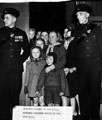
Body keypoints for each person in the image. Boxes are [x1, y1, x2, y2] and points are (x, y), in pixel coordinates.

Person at [71, 4, 102, 120]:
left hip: (95, 66)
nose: (78, 16)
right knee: (83, 94)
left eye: (80, 14)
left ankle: (95, 117)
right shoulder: (75, 31)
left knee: (95, 94)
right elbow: (73, 51)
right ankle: (84, 117)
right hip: (82, 66)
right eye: (77, 15)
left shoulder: (97, 29)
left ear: (87, 15)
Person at [0, 8, 30, 120]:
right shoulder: (0, 32)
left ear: (14, 18)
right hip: (2, 70)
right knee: (2, 97)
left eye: (7, 18)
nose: (4, 20)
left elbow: (27, 50)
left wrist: (19, 60)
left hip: (16, 71)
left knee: (14, 96)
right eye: (4, 18)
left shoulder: (21, 33)